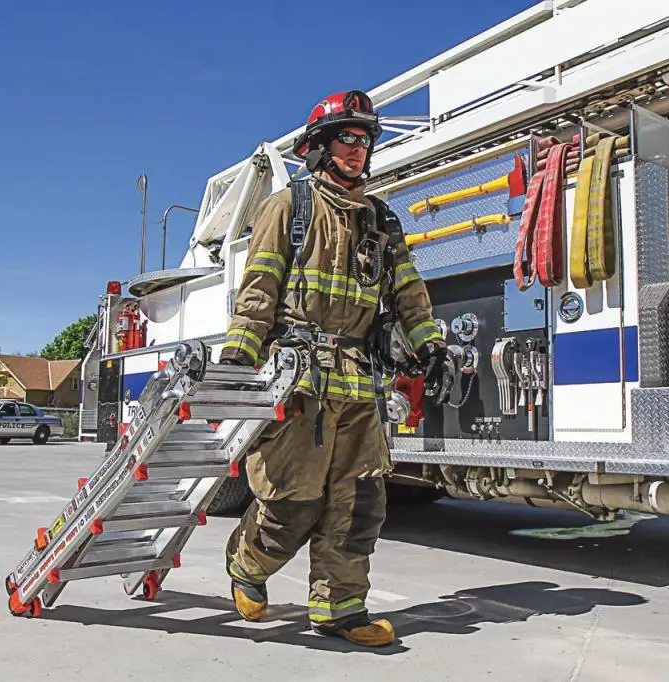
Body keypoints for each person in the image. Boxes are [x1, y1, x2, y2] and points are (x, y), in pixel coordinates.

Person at [218, 90, 455, 647]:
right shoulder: (288, 207)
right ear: (320, 148)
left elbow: (409, 295)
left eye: (366, 140)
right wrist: (238, 361)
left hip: (361, 378)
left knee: (361, 502)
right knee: (292, 502)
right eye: (347, 138)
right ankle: (249, 564)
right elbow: (259, 291)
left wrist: (431, 348)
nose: (359, 149)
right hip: (299, 377)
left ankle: (340, 610)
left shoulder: (381, 219)